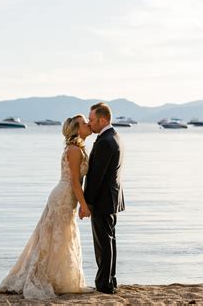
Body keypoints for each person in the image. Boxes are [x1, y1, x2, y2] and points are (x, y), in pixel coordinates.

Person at [0, 114, 93, 299]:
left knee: (58, 238)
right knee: (57, 238)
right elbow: (75, 182)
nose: (88, 124)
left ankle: (59, 279)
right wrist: (84, 206)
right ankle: (48, 279)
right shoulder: (74, 150)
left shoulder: (75, 148)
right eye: (83, 123)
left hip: (65, 196)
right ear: (76, 129)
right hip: (63, 197)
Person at [84, 102, 125, 294]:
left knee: (103, 243)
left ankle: (104, 284)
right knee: (109, 240)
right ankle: (110, 280)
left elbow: (96, 177)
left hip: (102, 199)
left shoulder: (105, 141)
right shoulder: (114, 137)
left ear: (103, 119)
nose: (89, 123)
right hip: (111, 198)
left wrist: (87, 202)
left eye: (91, 120)